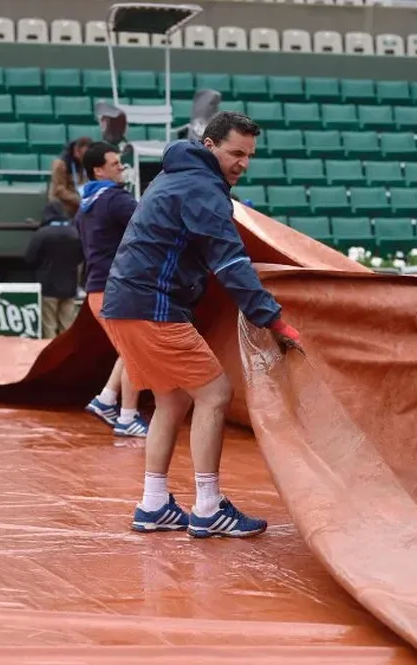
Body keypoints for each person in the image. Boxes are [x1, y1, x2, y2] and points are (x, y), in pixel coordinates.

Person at [97, 111, 303, 539]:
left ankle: (153, 504)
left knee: (172, 402)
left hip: (126, 303)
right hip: (153, 305)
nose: (243, 163)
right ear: (209, 146)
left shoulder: (174, 178)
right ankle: (208, 508)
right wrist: (274, 319)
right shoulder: (202, 187)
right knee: (215, 393)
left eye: (249, 155)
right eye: (235, 153)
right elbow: (229, 260)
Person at [75, 141, 150, 437]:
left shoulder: (85, 207)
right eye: (115, 163)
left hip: (98, 291)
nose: (121, 167)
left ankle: (106, 400)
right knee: (136, 353)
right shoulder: (115, 200)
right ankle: (127, 416)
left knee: (129, 350)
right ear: (98, 170)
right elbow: (151, 222)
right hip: (116, 290)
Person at [23, 214, 85, 340]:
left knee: (49, 326)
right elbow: (82, 256)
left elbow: (29, 258)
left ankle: (51, 355)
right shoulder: (76, 233)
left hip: (48, 287)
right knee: (67, 327)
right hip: (70, 287)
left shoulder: (42, 233)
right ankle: (67, 357)